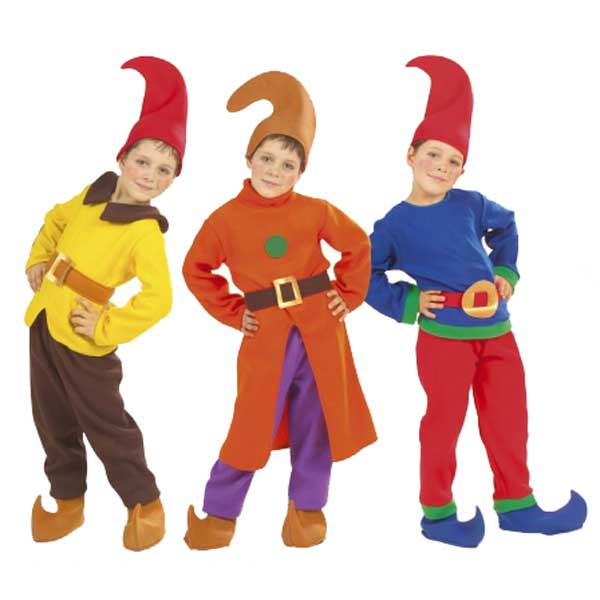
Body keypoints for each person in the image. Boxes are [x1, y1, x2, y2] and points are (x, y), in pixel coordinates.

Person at [366, 55, 587, 548]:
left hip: (498, 333)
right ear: (410, 155)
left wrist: (505, 271)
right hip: (443, 340)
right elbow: (363, 272)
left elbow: (506, 226)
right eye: (433, 155)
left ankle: (517, 505)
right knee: (443, 426)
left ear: (463, 168)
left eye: (453, 162)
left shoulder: (471, 203)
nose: (442, 167)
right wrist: (408, 302)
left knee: (509, 420)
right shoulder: (394, 224)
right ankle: (438, 515)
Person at [182, 70, 376, 550]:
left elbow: (357, 245)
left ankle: (306, 511)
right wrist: (233, 312)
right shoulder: (224, 220)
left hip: (321, 329)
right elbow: (196, 269)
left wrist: (348, 294)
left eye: (288, 165)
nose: (274, 171)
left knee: (318, 418)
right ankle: (219, 515)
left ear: (300, 173)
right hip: (265, 332)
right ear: (248, 158)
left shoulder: (316, 210)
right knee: (251, 422)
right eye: (266, 158)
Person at [25, 56, 187, 551]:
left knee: (107, 425)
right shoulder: (94, 193)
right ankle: (67, 501)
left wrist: (105, 325)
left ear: (172, 181)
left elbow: (159, 299)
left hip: (84, 338)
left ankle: (145, 503)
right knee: (51, 416)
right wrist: (39, 258)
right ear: (123, 157)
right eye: (143, 162)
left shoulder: (145, 232)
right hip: (45, 323)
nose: (150, 175)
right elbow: (55, 219)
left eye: (165, 170)